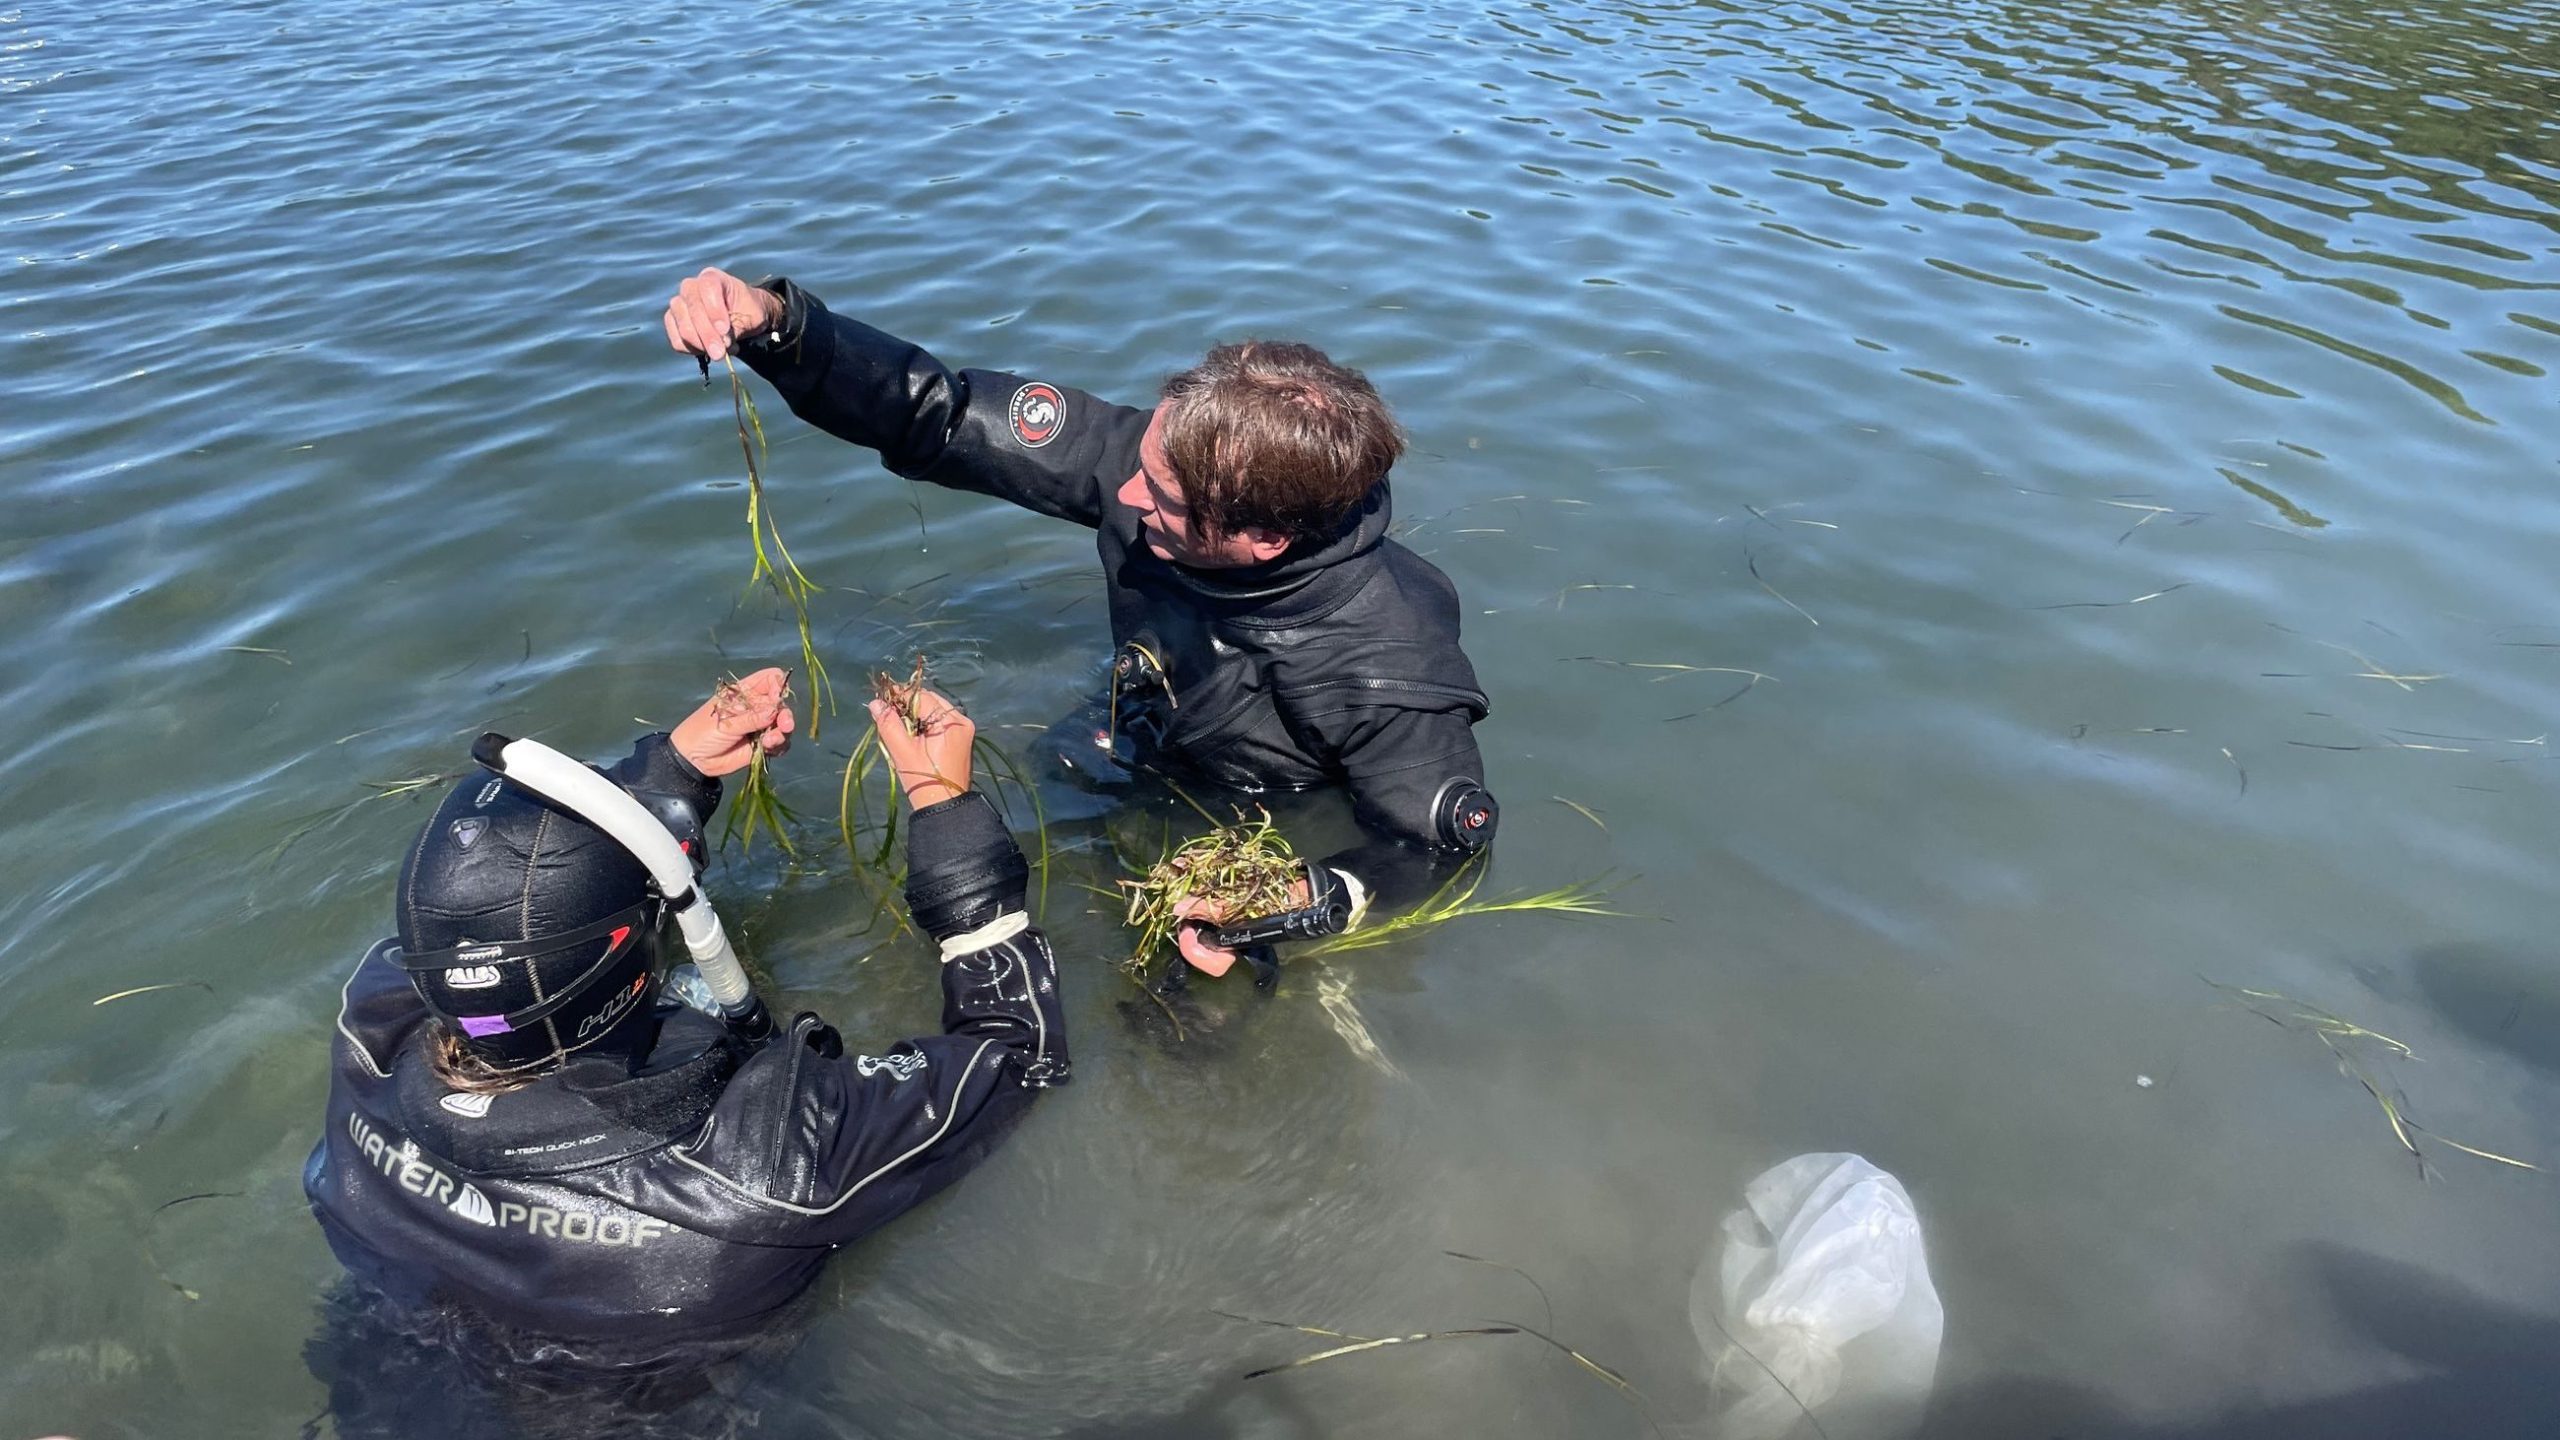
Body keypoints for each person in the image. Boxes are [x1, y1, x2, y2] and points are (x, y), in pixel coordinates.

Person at [662, 269, 1502, 976]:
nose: (1126, 497)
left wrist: (1289, 903)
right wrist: (778, 324)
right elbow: (939, 414)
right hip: (1126, 733)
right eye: (1142, 464)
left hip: (1248, 810)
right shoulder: (1157, 461)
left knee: (1174, 1004)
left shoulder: (1389, 664)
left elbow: (1436, 851)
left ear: (1263, 538)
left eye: (1163, 501)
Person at [303, 668, 1065, 1348]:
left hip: (389, 1359)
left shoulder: (370, 1035)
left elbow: (492, 916)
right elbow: (1016, 1055)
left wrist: (668, 777)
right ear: (633, 966)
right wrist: (943, 804)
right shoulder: (763, 1167)